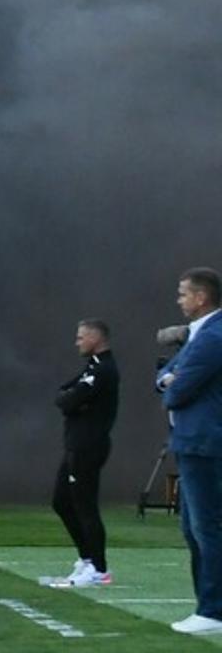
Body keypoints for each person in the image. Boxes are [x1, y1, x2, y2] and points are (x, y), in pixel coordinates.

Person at [159, 269, 222, 635]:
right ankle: (208, 605)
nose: (179, 300)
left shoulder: (214, 336)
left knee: (206, 526)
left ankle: (213, 609)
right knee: (192, 526)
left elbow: (178, 390)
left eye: (183, 294)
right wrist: (169, 380)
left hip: (205, 442)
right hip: (191, 441)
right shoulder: (199, 335)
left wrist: (170, 385)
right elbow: (165, 374)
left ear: (201, 297)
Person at [45, 319, 121, 589]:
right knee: (61, 501)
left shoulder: (103, 370)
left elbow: (70, 399)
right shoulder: (92, 367)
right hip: (76, 445)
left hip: (89, 446)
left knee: (85, 505)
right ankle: (86, 558)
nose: (77, 342)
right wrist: (71, 400)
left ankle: (98, 568)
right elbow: (62, 395)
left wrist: (72, 401)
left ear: (95, 339)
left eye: (81, 337)